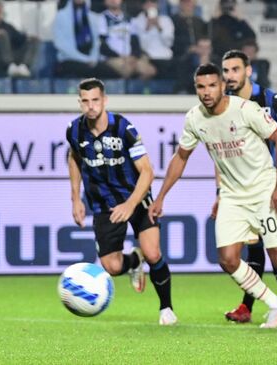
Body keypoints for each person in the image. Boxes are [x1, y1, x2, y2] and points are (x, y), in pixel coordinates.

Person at [148, 63, 277, 329]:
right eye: (200, 87)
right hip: (232, 196)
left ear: (221, 85)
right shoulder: (194, 118)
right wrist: (161, 197)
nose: (206, 92)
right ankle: (276, 305)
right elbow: (181, 156)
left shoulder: (244, 110)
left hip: (263, 190)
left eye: (211, 85)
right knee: (227, 259)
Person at [66, 78, 177, 325]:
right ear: (80, 102)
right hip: (104, 204)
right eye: (85, 101)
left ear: (104, 100)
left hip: (136, 198)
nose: (91, 106)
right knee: (113, 267)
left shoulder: (123, 128)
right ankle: (133, 261)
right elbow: (73, 158)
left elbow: (147, 171)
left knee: (153, 252)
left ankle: (166, 309)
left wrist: (130, 204)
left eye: (95, 100)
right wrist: (75, 198)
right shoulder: (74, 130)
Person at [220, 49, 277, 324]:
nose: (230, 76)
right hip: (241, 188)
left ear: (248, 71)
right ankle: (264, 306)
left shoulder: (270, 100)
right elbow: (221, 153)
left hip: (273, 182)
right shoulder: (223, 105)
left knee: (271, 249)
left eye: (235, 70)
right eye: (226, 71)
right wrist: (220, 192)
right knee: (257, 249)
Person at [53, 0, 118, 78]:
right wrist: (85, 59)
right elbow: (61, 45)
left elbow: (96, 42)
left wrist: (93, 58)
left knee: (111, 73)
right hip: (69, 59)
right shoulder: (61, 16)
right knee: (87, 71)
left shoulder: (93, 17)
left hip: (90, 59)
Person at [98, 0, 156, 79]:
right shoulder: (101, 18)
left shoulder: (130, 19)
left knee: (150, 71)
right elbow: (101, 44)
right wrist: (119, 56)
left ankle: (135, 90)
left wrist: (133, 56)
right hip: (112, 57)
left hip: (130, 57)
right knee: (128, 70)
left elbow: (135, 42)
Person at [131, 0, 175, 78]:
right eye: (147, 3)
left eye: (153, 2)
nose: (150, 5)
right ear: (143, 6)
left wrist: (159, 27)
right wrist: (147, 28)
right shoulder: (136, 21)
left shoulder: (166, 20)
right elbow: (141, 46)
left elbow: (169, 43)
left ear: (157, 5)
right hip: (148, 58)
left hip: (165, 58)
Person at [0, 0, 37, 78]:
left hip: (14, 59)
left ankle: (24, 67)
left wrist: (28, 38)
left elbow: (19, 39)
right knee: (2, 34)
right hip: (0, 60)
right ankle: (9, 65)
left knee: (34, 40)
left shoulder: (7, 26)